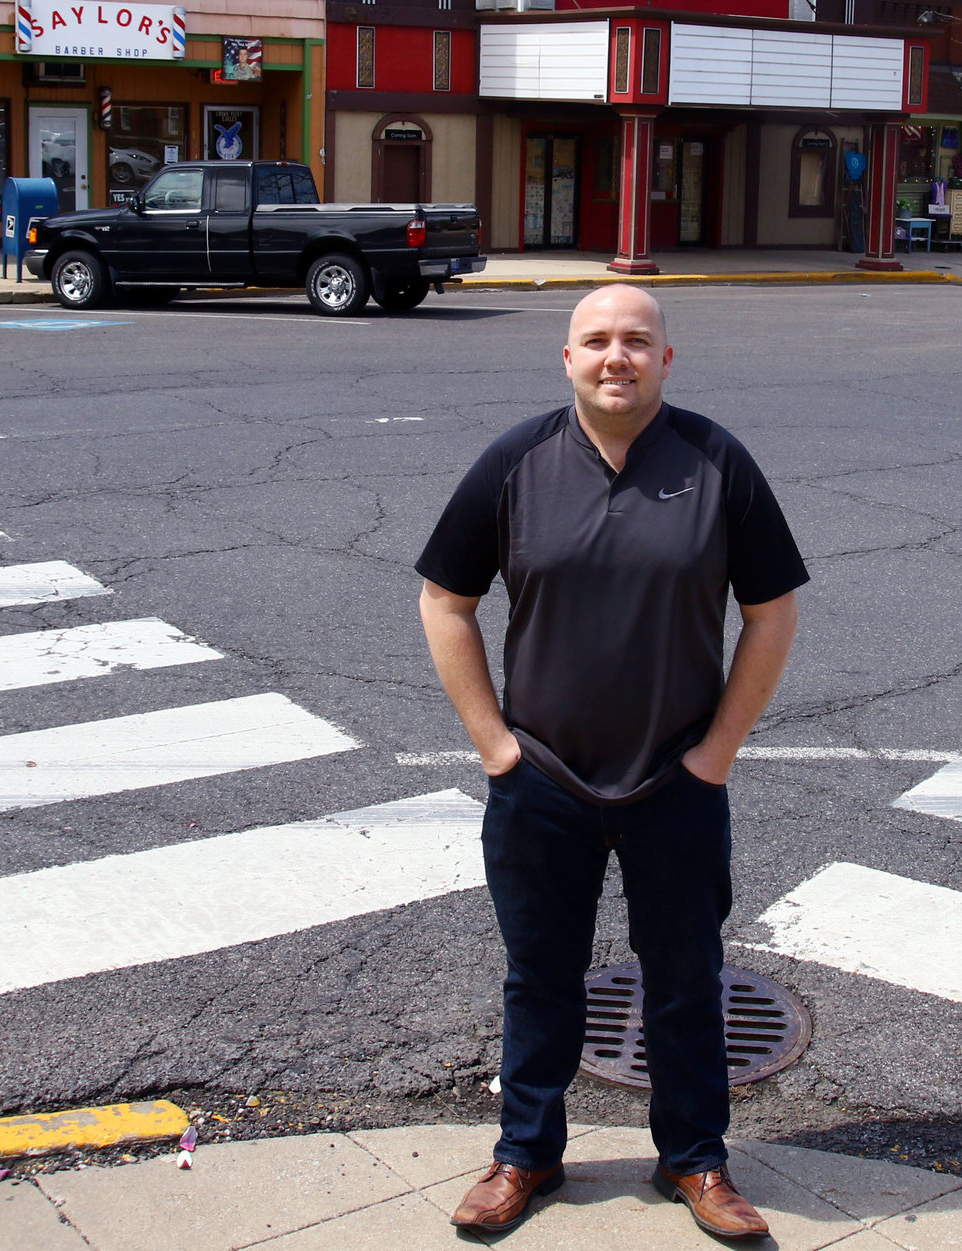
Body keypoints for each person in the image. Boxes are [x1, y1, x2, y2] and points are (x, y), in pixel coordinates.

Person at [416, 284, 806, 1238]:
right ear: (567, 360)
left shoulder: (718, 463)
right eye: (596, 341)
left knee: (685, 975)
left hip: (677, 780)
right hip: (542, 777)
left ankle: (697, 1160)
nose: (616, 357)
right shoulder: (516, 463)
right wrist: (495, 745)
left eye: (637, 341)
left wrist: (717, 753)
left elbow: (772, 613)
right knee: (538, 973)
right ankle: (525, 1153)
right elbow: (444, 598)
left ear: (668, 360)